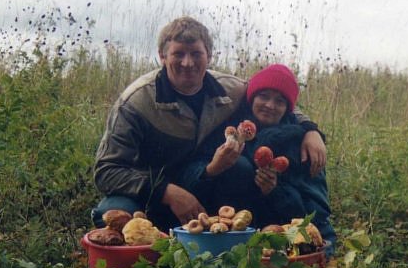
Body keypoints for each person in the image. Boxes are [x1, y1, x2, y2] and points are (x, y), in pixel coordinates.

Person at [92, 17, 327, 232]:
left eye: (196, 54)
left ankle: (227, 241)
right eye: (178, 54)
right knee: (111, 212)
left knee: (240, 170)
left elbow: (274, 98)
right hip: (150, 191)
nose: (187, 63)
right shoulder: (136, 102)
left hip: (203, 182)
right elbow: (106, 171)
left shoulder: (230, 88)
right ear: (162, 57)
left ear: (209, 55)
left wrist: (310, 130)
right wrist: (167, 192)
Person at [181, 64, 336, 254]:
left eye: (280, 101)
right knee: (240, 167)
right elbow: (188, 178)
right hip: (225, 227)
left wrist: (274, 191)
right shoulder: (229, 130)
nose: (270, 105)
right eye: (263, 96)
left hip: (278, 238)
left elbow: (314, 215)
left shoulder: (302, 146)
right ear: (252, 98)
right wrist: (212, 169)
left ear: (288, 108)